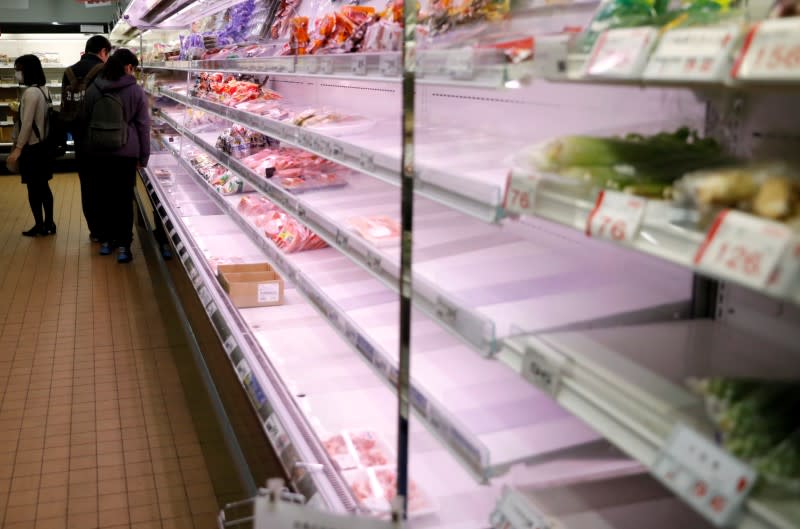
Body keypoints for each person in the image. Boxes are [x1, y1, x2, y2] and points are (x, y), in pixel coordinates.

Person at [83, 48, 150, 263]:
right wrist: (143, 156)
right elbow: (143, 126)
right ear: (128, 67)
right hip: (126, 152)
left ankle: (106, 241)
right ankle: (124, 246)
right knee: (123, 199)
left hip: (98, 152)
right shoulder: (136, 91)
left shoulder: (94, 88)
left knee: (104, 197)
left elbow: (86, 120)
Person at [62, 35, 111, 243]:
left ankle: (95, 230)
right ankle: (108, 228)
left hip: (80, 137)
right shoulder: (104, 70)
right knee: (106, 184)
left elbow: (65, 105)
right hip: (103, 138)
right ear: (103, 51)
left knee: (88, 185)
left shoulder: (69, 72)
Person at [7, 54, 56, 237]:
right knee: (44, 187)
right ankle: (49, 223)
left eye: (19, 69)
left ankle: (39, 224)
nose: (17, 73)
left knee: (33, 189)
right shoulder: (44, 90)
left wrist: (18, 149)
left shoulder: (30, 93)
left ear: (28, 70)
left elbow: (26, 124)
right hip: (44, 146)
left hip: (32, 148)